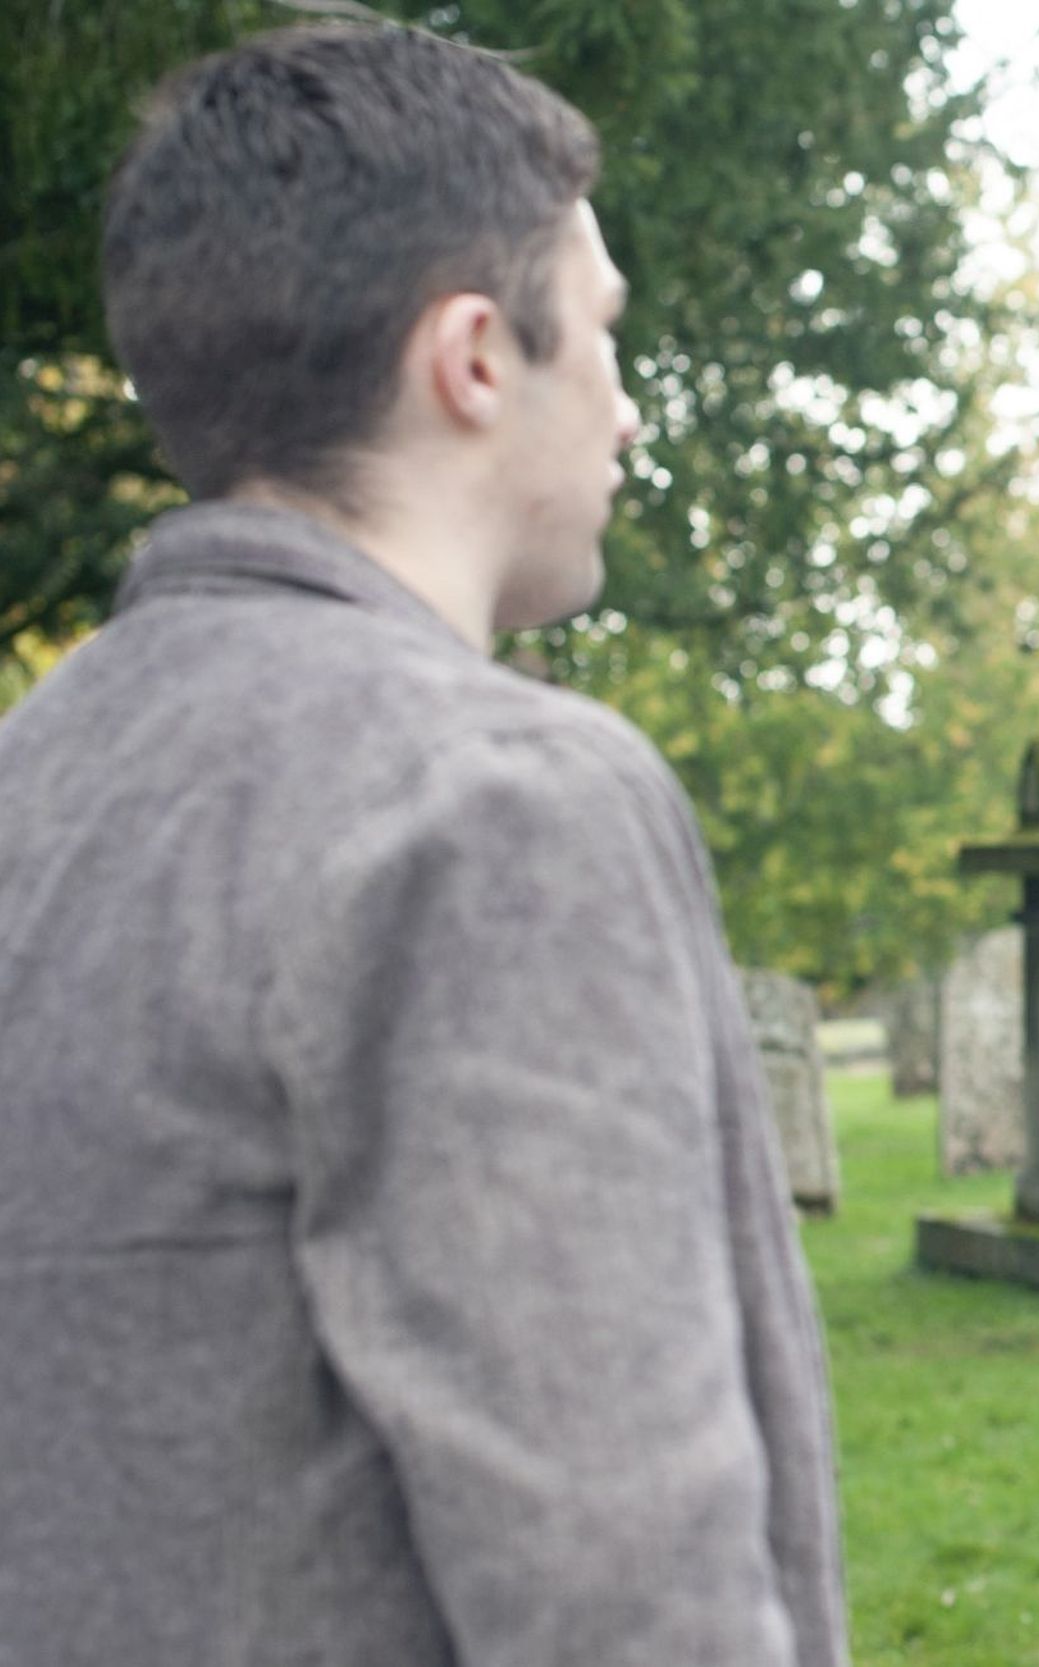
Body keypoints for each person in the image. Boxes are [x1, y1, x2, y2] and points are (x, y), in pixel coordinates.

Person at [0, 26, 844, 1665]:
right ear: (473, 356)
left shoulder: (33, 778)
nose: (624, 410)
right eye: (601, 335)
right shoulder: (493, 807)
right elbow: (617, 1579)